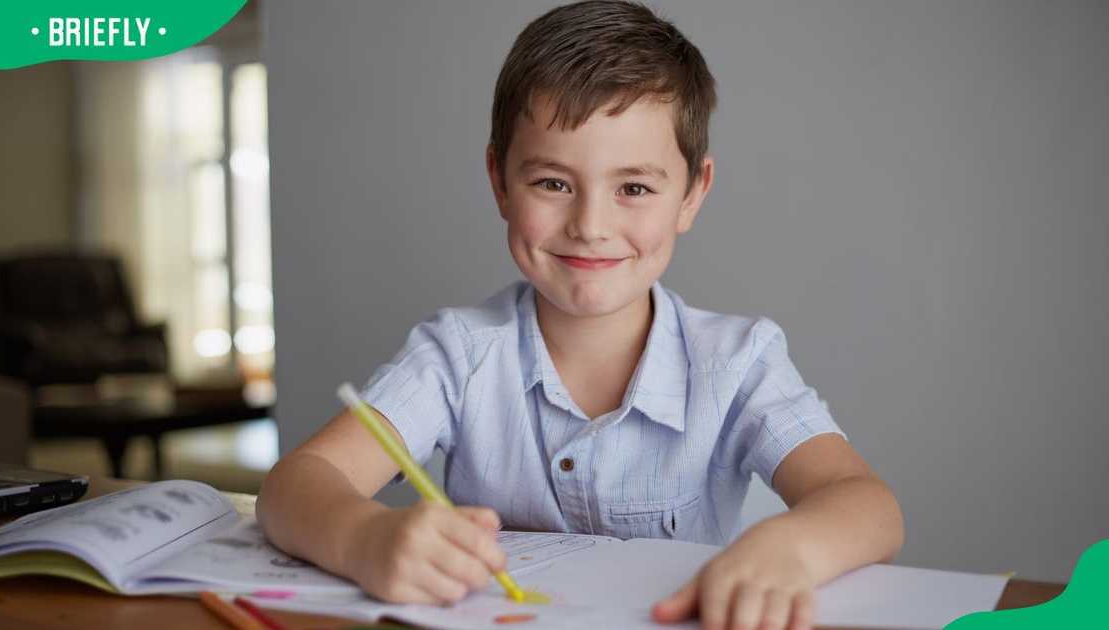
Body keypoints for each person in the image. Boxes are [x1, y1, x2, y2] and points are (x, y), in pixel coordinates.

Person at [256, 2, 904, 628]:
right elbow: (293, 486)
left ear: (692, 194)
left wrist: (789, 550)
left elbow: (868, 505)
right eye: (553, 183)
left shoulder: (738, 362)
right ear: (500, 182)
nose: (591, 226)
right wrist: (363, 536)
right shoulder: (456, 355)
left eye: (635, 188)